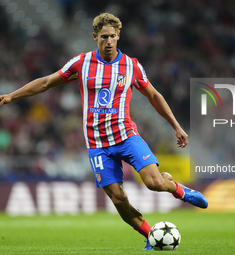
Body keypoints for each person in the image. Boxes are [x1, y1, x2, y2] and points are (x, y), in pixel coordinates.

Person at [0, 13, 208, 250]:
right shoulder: (81, 62)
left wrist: (176, 126)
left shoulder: (131, 65)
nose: (108, 41)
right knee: (118, 199)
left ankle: (178, 189)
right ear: (95, 37)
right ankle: (151, 235)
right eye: (103, 37)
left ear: (118, 36)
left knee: (154, 184)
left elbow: (153, 96)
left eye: (112, 37)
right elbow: (47, 82)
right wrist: (11, 95)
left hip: (127, 136)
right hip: (97, 144)